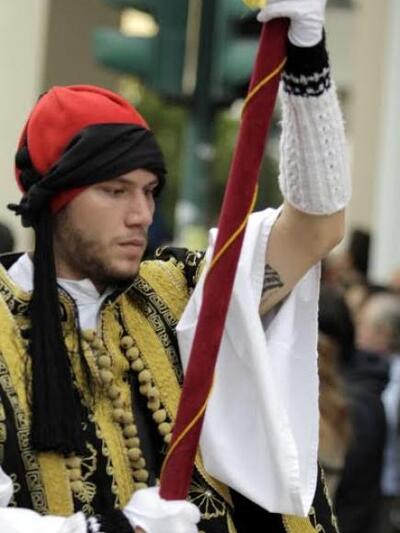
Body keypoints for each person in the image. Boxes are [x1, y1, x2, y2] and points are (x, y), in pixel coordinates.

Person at [0, 1, 351, 532]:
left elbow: (317, 227)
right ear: (55, 202)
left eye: (149, 191)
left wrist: (306, 63)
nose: (141, 214)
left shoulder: (182, 290)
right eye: (115, 191)